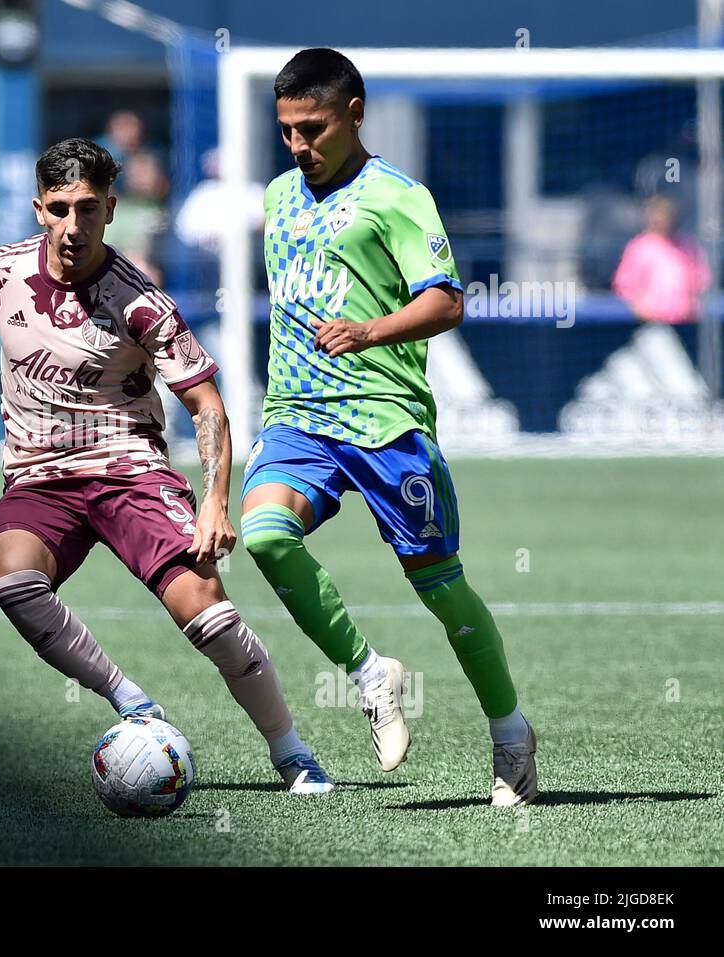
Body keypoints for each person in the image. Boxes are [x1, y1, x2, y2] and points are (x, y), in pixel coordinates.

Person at [0, 138, 335, 794]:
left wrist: (215, 501)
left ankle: (291, 752)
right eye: (59, 208)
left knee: (207, 615)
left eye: (87, 208)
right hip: (40, 480)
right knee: (10, 576)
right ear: (38, 209)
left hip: (130, 474)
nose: (72, 225)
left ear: (111, 208)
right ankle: (133, 702)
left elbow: (207, 406)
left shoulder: (142, 301)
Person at [240, 49, 537, 806]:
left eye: (313, 128)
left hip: (384, 418)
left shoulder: (399, 197)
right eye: (287, 131)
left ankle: (511, 736)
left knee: (441, 590)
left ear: (355, 113)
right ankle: (372, 674)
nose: (300, 146)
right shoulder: (277, 196)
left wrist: (369, 332)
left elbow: (446, 303)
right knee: (267, 536)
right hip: (298, 416)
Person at [612, 194, 709, 324]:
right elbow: (624, 286)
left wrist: (694, 300)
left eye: (666, 215)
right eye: (658, 216)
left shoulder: (688, 245)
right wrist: (639, 304)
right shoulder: (639, 247)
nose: (663, 220)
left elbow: (702, 280)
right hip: (650, 323)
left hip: (686, 321)